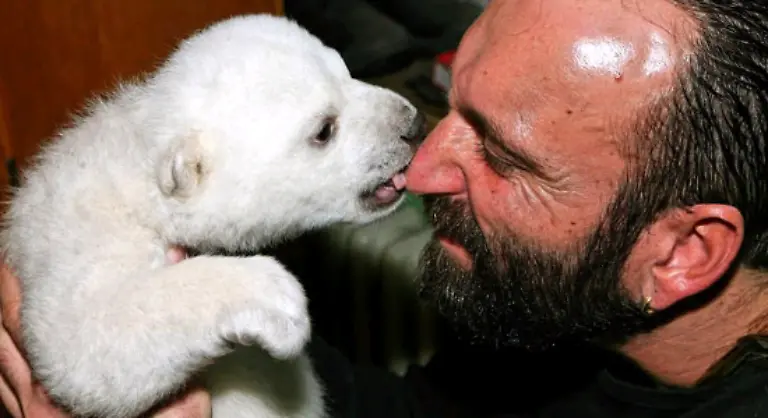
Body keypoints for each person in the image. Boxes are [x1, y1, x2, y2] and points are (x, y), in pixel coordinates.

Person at [2, 0, 768, 416]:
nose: (424, 167)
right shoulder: (559, 303)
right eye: (451, 104)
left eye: (505, 156)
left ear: (682, 251)